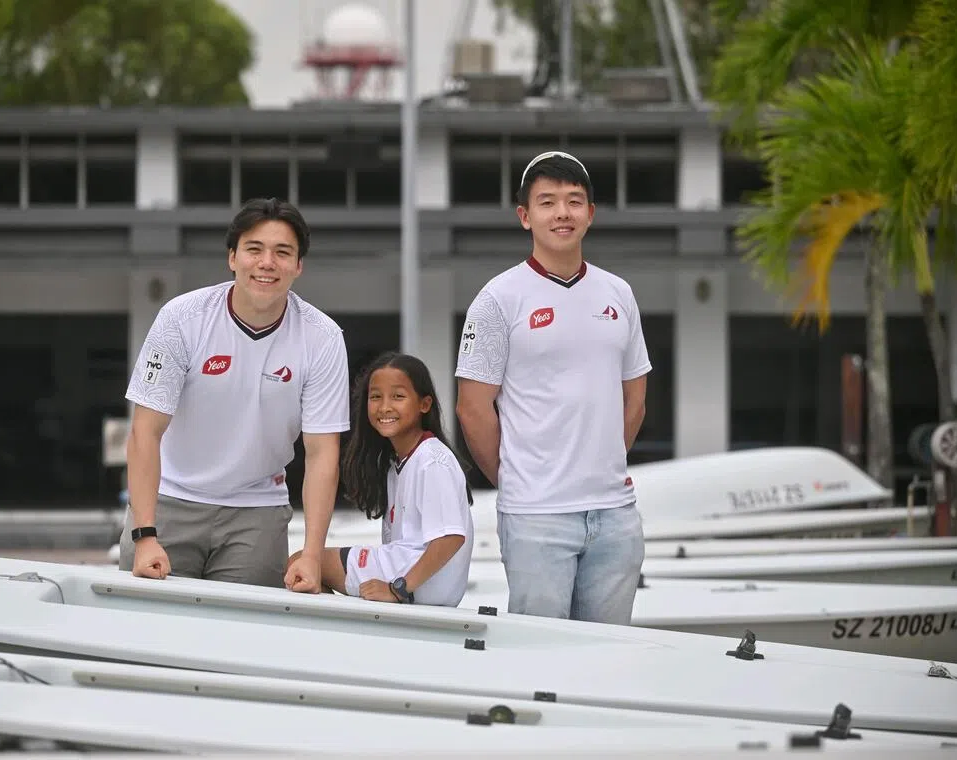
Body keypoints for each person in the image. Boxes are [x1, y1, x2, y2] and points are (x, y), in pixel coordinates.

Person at [454, 151, 652, 624]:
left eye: (574, 201)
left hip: (614, 515)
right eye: (547, 202)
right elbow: (472, 408)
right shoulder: (497, 298)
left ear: (590, 213)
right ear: (525, 216)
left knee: (608, 659)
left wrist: (602, 460)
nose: (562, 213)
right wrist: (518, 480)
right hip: (535, 517)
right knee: (538, 659)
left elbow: (636, 396)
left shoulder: (618, 293)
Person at [120, 197, 350, 594]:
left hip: (257, 513)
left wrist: (312, 554)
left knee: (243, 643)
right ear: (232, 257)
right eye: (254, 249)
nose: (267, 263)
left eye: (283, 253)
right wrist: (144, 534)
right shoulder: (181, 319)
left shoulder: (323, 338)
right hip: (170, 502)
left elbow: (322, 451)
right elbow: (145, 432)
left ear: (298, 266)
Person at [286, 351, 474, 606]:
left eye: (398, 396)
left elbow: (450, 538)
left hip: (417, 583)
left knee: (302, 563)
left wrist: (399, 589)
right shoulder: (397, 461)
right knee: (304, 568)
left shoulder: (432, 461)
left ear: (424, 404)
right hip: (408, 572)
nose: (384, 407)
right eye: (375, 397)